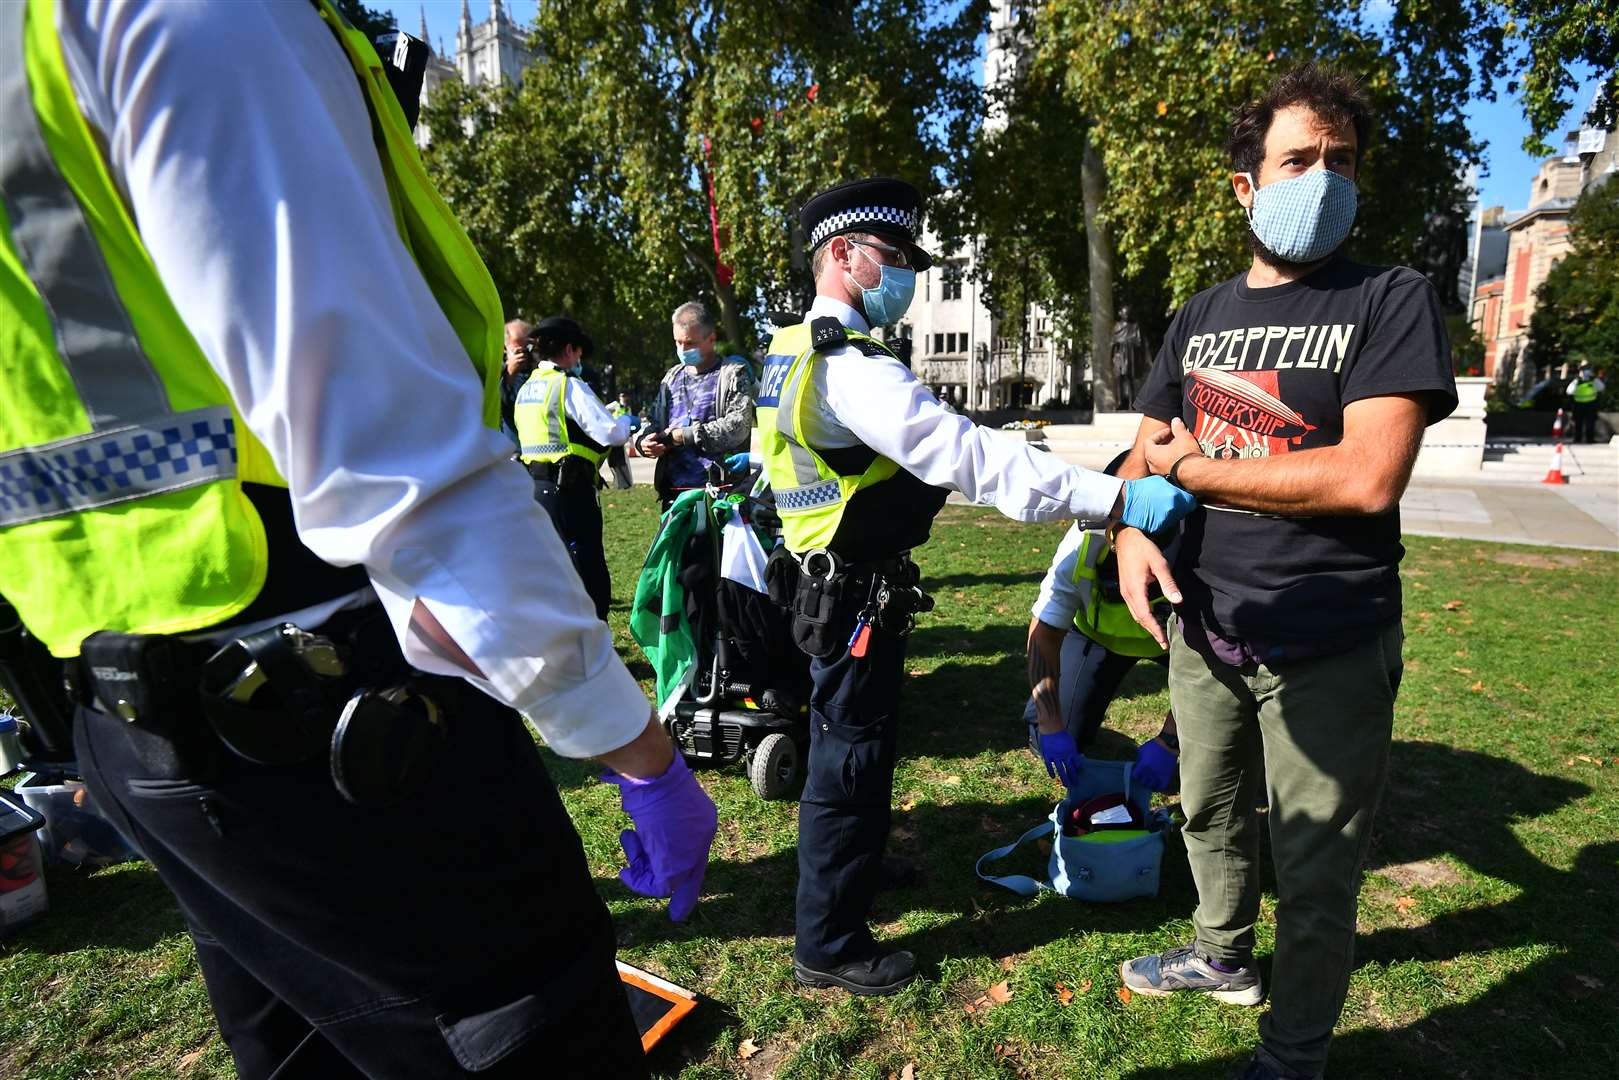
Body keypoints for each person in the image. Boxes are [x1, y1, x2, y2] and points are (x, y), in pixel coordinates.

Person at [0, 4, 715, 1077]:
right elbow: (407, 481)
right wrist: (638, 752)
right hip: (333, 709)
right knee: (524, 1027)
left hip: (137, 720)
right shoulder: (194, 14)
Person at [757, 177, 1196, 996]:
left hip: (837, 588)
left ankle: (854, 868)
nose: (904, 278)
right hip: (848, 593)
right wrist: (1115, 496)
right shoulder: (846, 364)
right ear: (840, 255)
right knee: (847, 760)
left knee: (857, 748)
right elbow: (967, 459)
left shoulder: (792, 348)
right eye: (891, 259)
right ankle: (829, 945)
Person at [1110, 65, 1458, 1080]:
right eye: (1297, 159)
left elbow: (1363, 477)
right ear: (1244, 186)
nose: (1322, 179)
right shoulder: (1198, 312)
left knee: (1313, 866)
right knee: (1208, 810)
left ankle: (1293, 1052)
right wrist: (1134, 530)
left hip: (1328, 639)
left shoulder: (1386, 299)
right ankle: (1220, 957)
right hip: (1202, 620)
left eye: (1339, 162)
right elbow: (1143, 447)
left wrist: (1190, 467)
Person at [1024, 507, 1179, 794]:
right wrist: (1051, 725)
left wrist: (1171, 739)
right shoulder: (1082, 543)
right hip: (1095, 637)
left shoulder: (1202, 555)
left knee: (1220, 726)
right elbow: (1043, 633)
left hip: (1178, 647)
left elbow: (1216, 665)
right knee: (1049, 733)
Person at [513, 316, 634, 620]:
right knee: (587, 567)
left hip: (537, 491)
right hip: (570, 491)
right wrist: (624, 421)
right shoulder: (568, 385)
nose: (580, 359)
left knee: (554, 569)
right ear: (569, 349)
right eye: (579, 352)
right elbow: (611, 434)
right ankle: (596, 641)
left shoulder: (528, 388)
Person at [631, 301, 757, 510]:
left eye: (689, 343)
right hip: (675, 496)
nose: (682, 349)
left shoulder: (733, 373)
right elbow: (652, 421)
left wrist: (684, 435)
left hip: (721, 495)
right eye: (677, 342)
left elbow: (737, 427)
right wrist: (644, 442)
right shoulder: (672, 377)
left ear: (711, 339)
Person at [499, 317, 537, 450]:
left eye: (528, 348)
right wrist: (510, 373)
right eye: (518, 350)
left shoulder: (540, 370)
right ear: (505, 348)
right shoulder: (498, 372)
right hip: (513, 449)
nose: (524, 354)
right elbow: (501, 404)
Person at [1566, 363, 1605, 443]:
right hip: (1579, 405)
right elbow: (1569, 391)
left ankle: (1590, 439)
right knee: (1578, 423)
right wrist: (1577, 382)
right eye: (1585, 371)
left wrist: (1594, 379)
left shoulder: (1593, 380)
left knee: (1590, 423)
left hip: (1591, 405)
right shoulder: (1577, 381)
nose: (1587, 373)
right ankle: (1577, 439)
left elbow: (1601, 388)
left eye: (1588, 371)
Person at [606, 391, 637, 490]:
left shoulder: (627, 408)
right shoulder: (615, 405)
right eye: (622, 396)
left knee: (621, 458)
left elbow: (630, 417)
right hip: (615, 432)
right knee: (616, 459)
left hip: (624, 431)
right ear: (619, 397)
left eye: (625, 396)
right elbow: (604, 409)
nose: (624, 397)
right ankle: (621, 482)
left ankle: (625, 482)